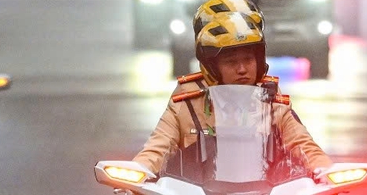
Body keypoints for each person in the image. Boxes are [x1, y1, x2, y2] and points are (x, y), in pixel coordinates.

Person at [129, 10, 328, 181]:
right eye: (231, 62)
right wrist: (140, 169)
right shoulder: (187, 102)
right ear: (213, 68)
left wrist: (324, 169)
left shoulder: (272, 101)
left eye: (248, 59)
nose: (242, 69)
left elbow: (304, 145)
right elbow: (157, 147)